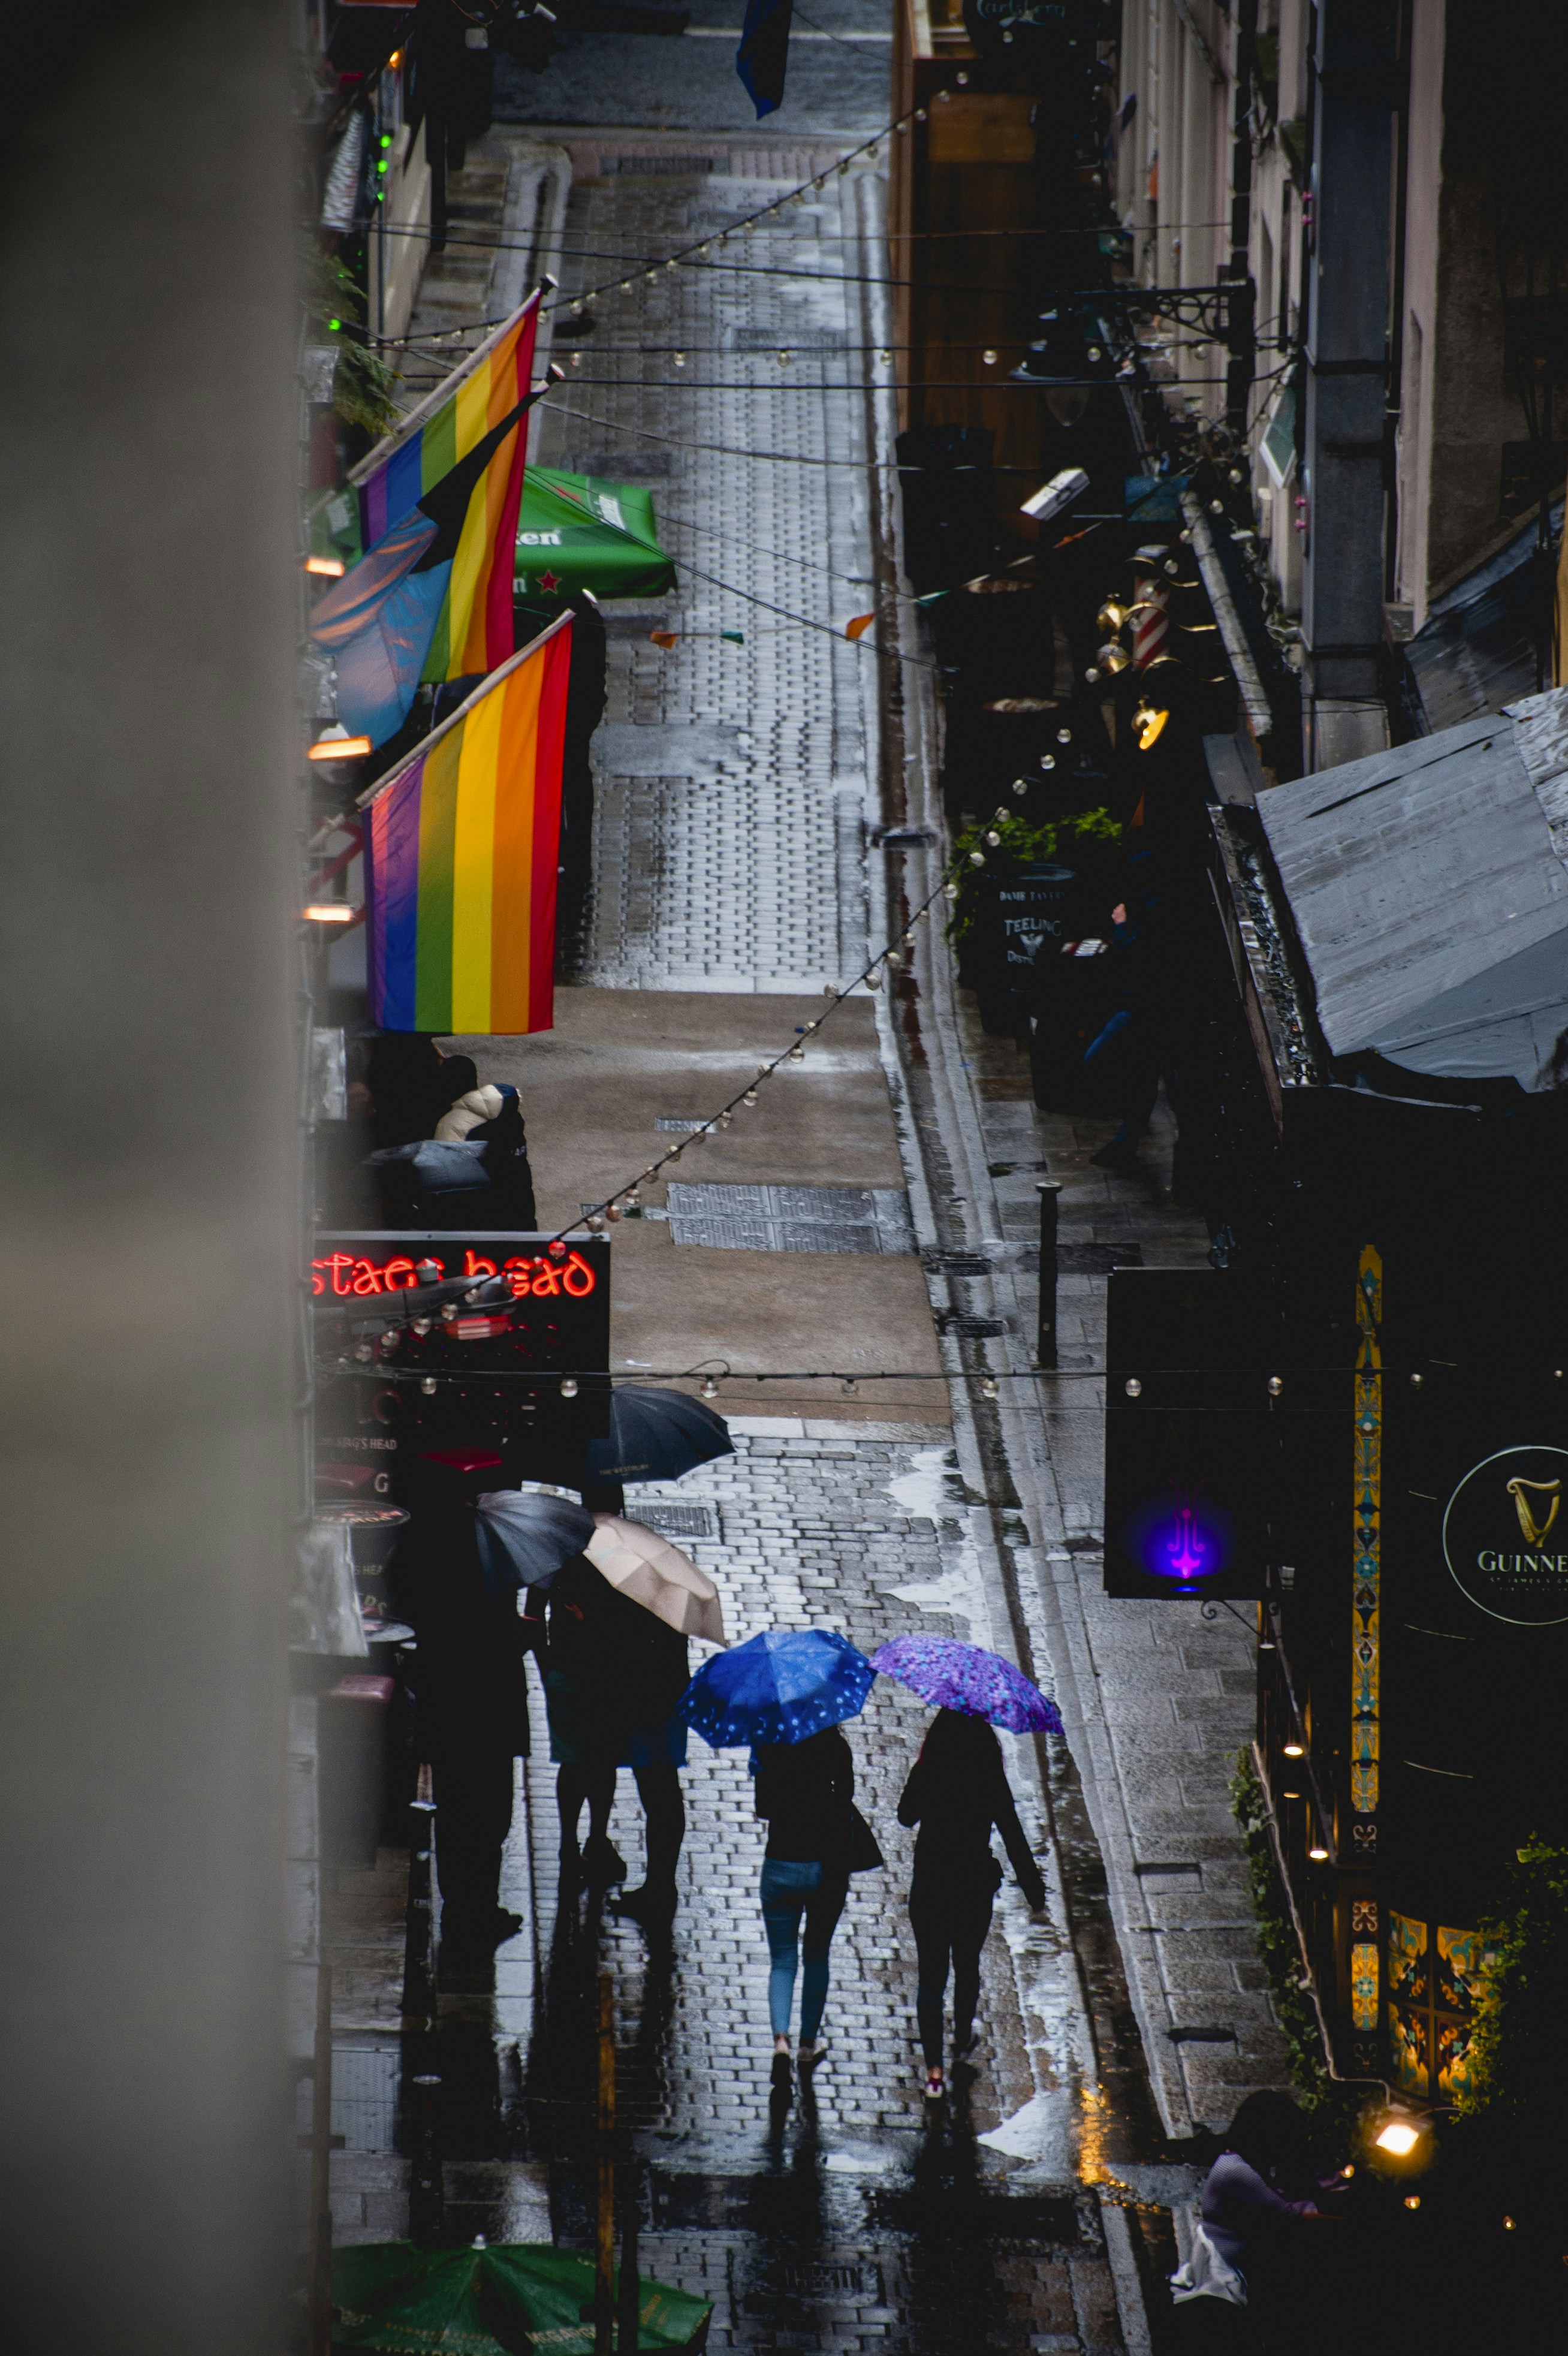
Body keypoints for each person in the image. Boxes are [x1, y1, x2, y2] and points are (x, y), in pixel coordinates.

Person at [387, 1453, 534, 1968]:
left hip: (443, 1700)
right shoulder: (490, 1544)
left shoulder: (417, 1545)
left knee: (453, 1809)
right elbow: (504, 1633)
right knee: (491, 1810)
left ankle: (460, 1909)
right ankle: (482, 1907)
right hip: (489, 1703)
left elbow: (402, 1603)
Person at [530, 1553, 689, 1923]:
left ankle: (659, 1888)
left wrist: (588, 1625)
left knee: (658, 1794)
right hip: (665, 1698)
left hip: (648, 1702)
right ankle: (660, 1885)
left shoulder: (633, 1594)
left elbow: (623, 1645)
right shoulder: (660, 1584)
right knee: (662, 1793)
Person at [897, 1709, 1045, 2100]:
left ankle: (933, 2074)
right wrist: (1034, 1891)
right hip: (972, 1888)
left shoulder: (930, 1769)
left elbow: (905, 1816)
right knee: (966, 1966)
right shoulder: (988, 1775)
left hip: (930, 1884)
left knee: (931, 1977)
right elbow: (1013, 1834)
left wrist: (921, 1771)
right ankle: (962, 2041)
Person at [753, 1725, 863, 2096]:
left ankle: (780, 2040)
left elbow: (763, 1808)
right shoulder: (836, 1748)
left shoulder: (771, 1742)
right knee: (817, 1955)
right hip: (826, 1867)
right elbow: (846, 1800)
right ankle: (806, 2045)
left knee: (782, 1961)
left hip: (780, 1865)